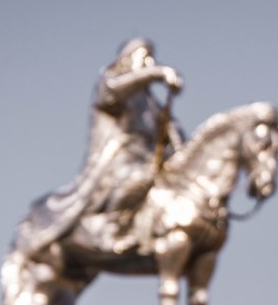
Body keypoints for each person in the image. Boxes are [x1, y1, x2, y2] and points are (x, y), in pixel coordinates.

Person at [16, 39, 184, 256]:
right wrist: (158, 73)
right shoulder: (112, 83)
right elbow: (113, 92)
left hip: (149, 161)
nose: (149, 62)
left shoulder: (152, 103)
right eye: (144, 56)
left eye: (152, 58)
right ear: (127, 59)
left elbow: (172, 133)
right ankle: (113, 229)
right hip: (119, 163)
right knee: (141, 177)